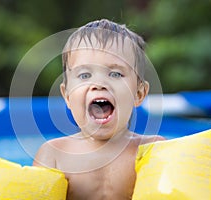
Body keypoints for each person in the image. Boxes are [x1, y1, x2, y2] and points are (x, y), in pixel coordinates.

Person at [33, 19, 165, 200]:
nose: (99, 84)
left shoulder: (153, 149)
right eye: (84, 75)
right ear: (67, 96)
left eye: (115, 74)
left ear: (139, 93)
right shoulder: (54, 155)